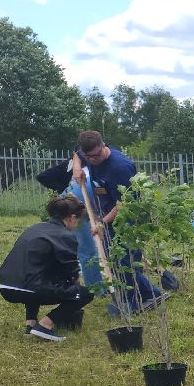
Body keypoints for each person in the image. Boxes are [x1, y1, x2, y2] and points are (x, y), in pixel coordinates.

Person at [68, 131, 164, 311]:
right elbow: (77, 154)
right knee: (115, 259)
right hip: (109, 215)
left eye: (96, 156)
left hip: (129, 217)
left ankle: (131, 304)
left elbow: (123, 203)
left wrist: (102, 223)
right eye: (88, 157)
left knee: (125, 261)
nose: (92, 160)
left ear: (104, 145)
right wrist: (77, 167)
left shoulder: (120, 168)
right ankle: (152, 294)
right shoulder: (88, 153)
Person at [0, 195, 95, 341]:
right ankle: (45, 326)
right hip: (28, 288)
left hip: (7, 286)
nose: (78, 224)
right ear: (72, 218)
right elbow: (71, 272)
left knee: (36, 279)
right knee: (86, 294)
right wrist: (75, 292)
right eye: (79, 220)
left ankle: (30, 324)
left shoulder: (34, 228)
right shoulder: (65, 235)